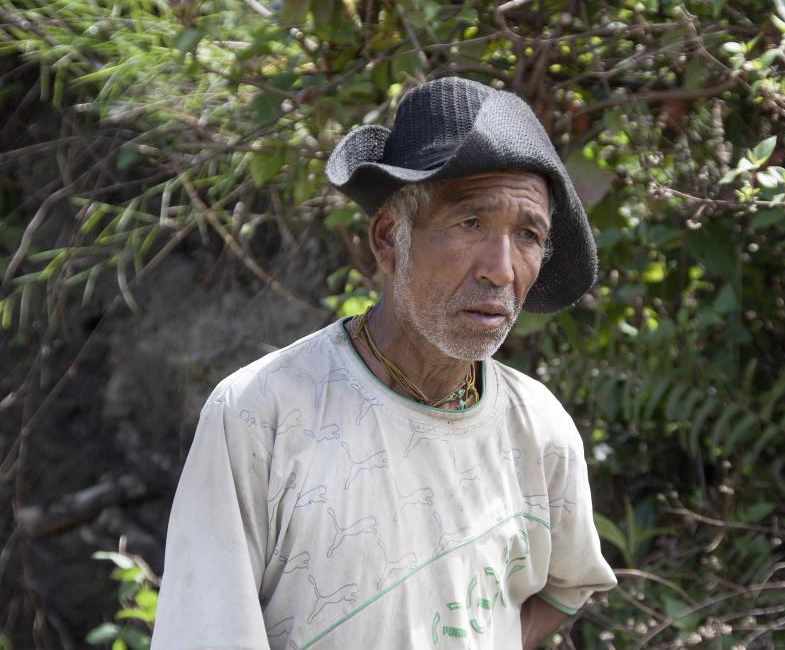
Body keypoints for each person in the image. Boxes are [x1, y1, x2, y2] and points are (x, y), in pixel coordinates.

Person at [152, 76, 617, 649]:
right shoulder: (260, 415)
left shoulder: (538, 429)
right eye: (470, 223)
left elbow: (563, 588)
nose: (500, 269)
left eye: (527, 234)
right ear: (388, 241)